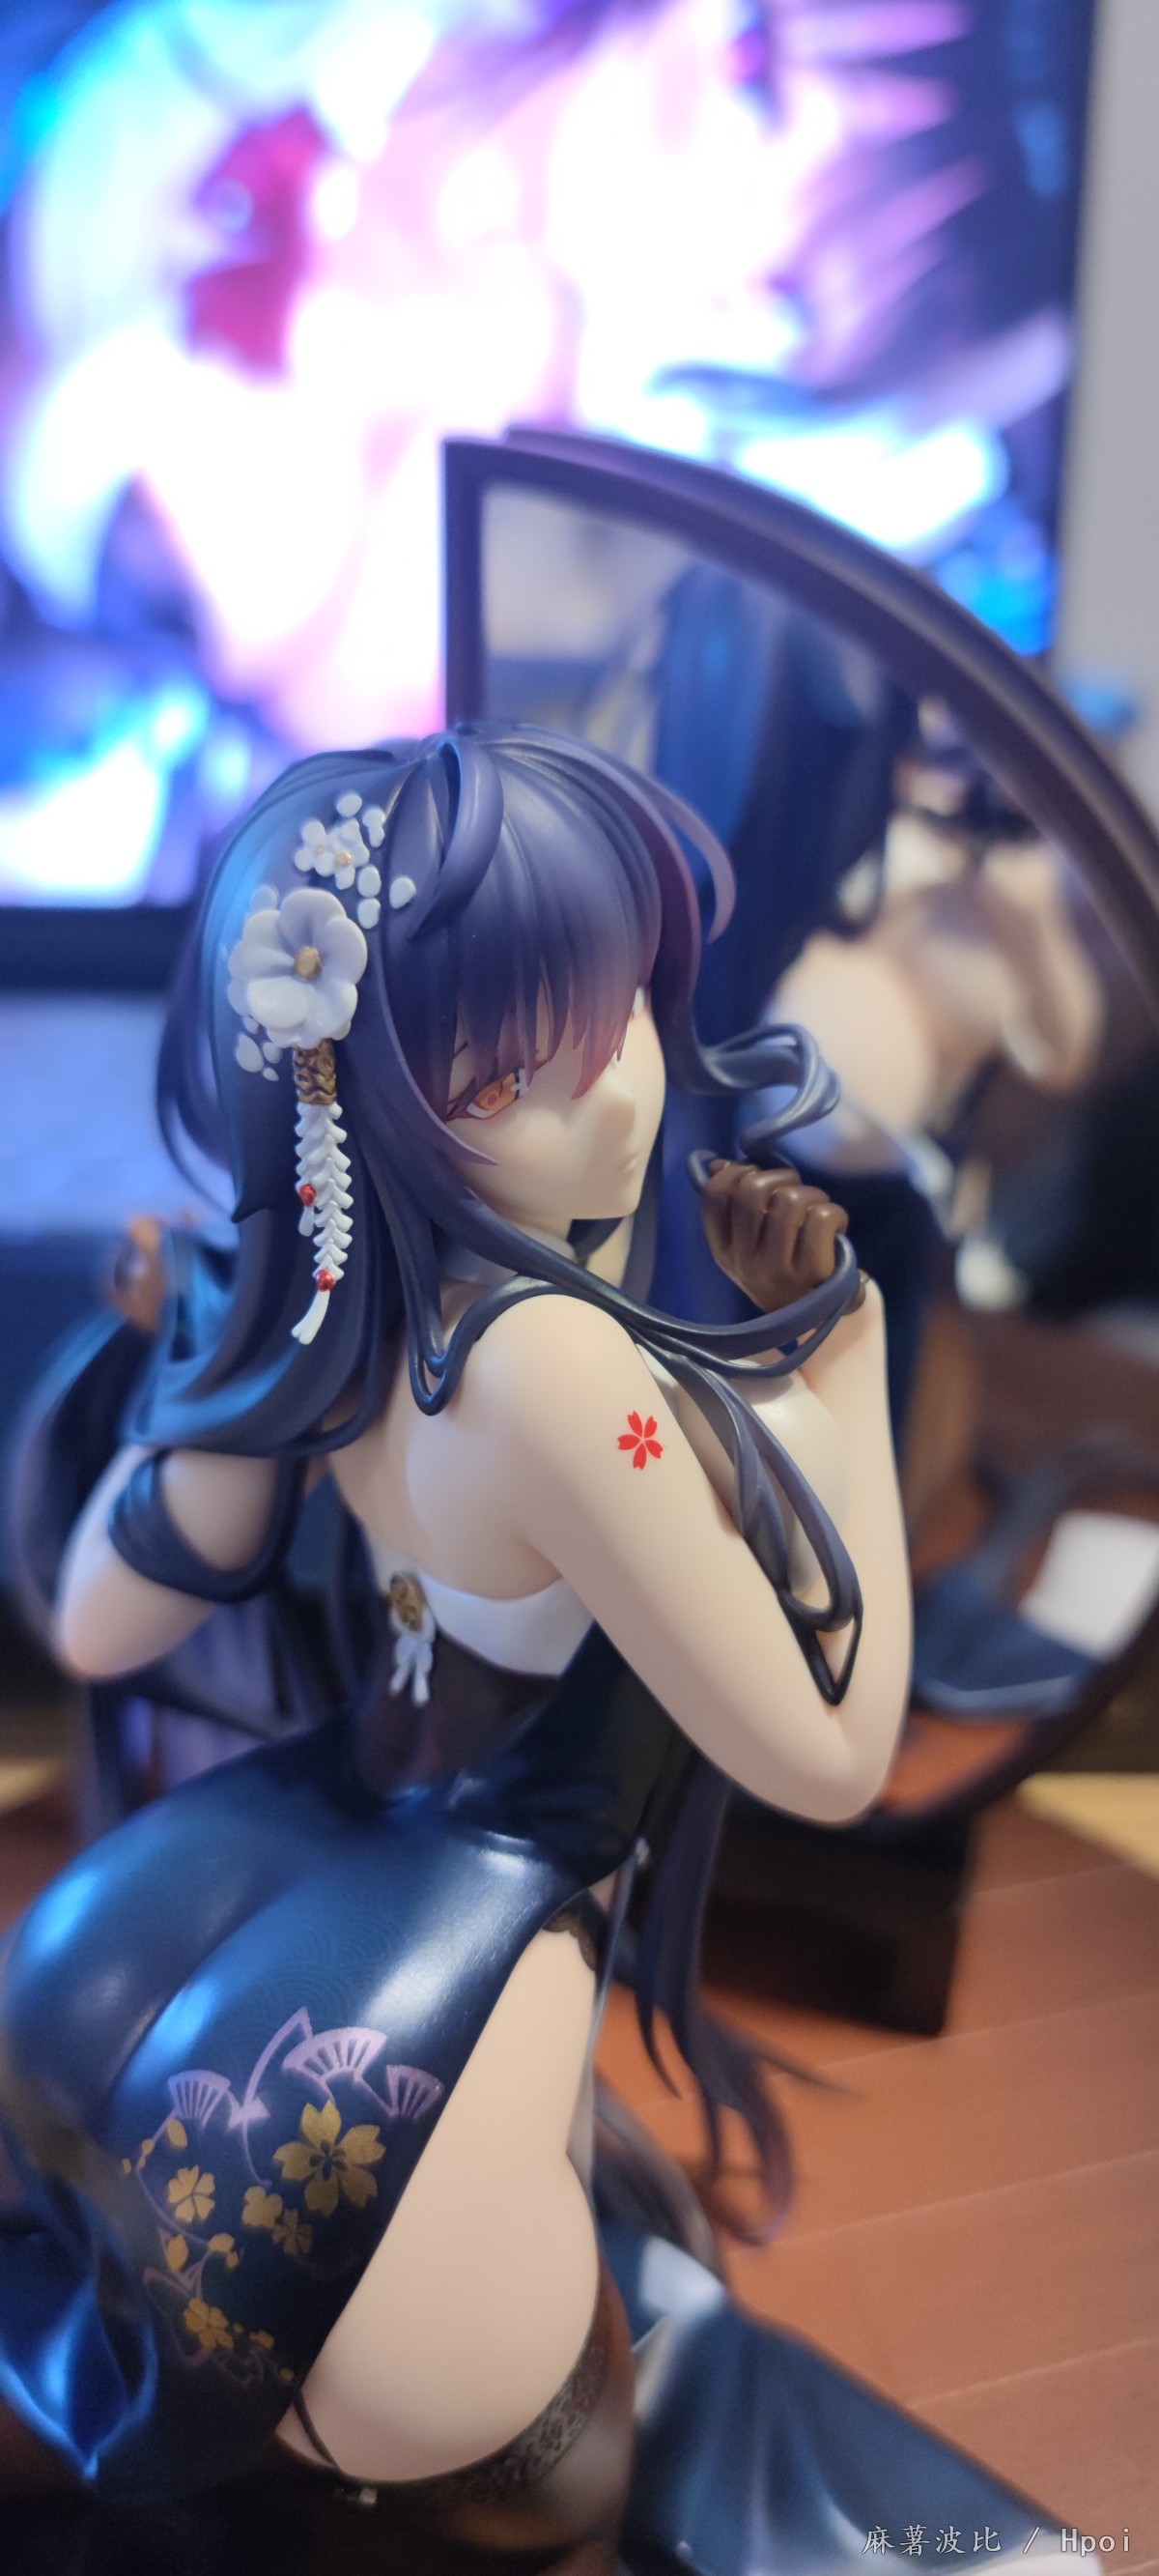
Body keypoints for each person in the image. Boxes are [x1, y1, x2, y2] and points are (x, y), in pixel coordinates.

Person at [0, 722, 913, 2567]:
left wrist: (203, 1342)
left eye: (622, 1018)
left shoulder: (328, 1303)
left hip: (221, 1911)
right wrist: (848, 1373)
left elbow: (98, 1616)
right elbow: (833, 1755)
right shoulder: (556, 1365)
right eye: (514, 1075)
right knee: (539, 2451)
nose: (620, 1103)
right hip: (473, 1963)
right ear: (356, 1102)